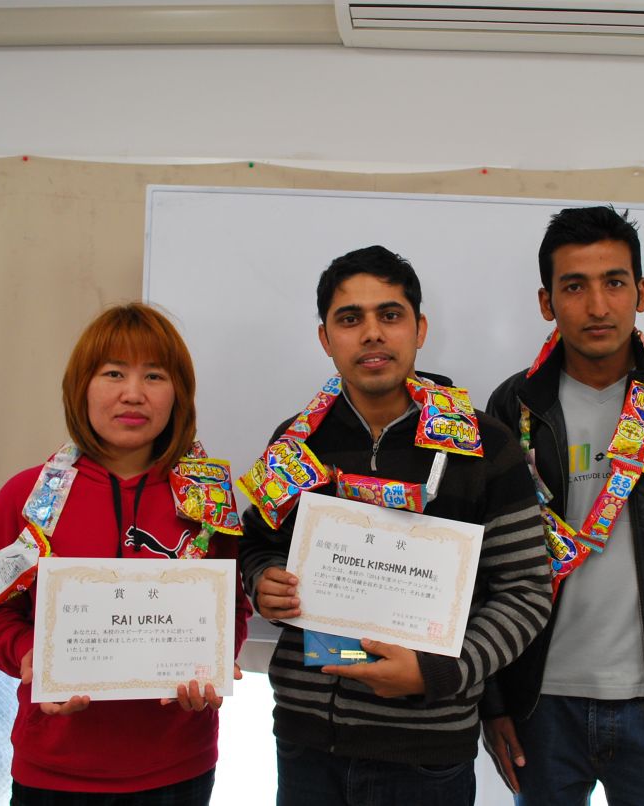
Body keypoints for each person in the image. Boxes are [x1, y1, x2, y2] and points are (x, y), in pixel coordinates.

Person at [237, 245, 553, 806]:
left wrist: (439, 671)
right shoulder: (295, 441)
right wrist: (264, 582)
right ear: (325, 338)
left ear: (419, 328)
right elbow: (258, 547)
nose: (372, 334)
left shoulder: (484, 445)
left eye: (390, 315)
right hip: (307, 745)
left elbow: (526, 591)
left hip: (426, 754)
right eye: (349, 319)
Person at [481, 206, 644, 806]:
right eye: (575, 286)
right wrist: (493, 704)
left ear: (641, 293)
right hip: (540, 704)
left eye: (615, 282)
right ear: (547, 302)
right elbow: (486, 567)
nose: (598, 306)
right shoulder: (513, 405)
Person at [0, 303, 251, 804]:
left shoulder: (207, 501)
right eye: (113, 373)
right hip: (54, 770)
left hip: (179, 767)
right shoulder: (28, 496)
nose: (133, 393)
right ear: (82, 388)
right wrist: (30, 655)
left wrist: (214, 660)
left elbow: (234, 610)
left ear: (178, 394)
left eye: (154, 375)